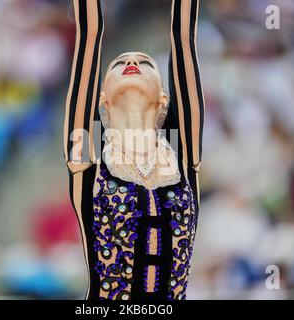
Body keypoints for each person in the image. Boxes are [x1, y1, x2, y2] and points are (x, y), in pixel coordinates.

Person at [63, 0, 204, 300]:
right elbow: (89, 34)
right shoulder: (92, 154)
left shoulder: (179, 147)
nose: (131, 63)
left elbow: (183, 39)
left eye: (145, 63)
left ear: (164, 98)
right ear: (102, 98)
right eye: (118, 64)